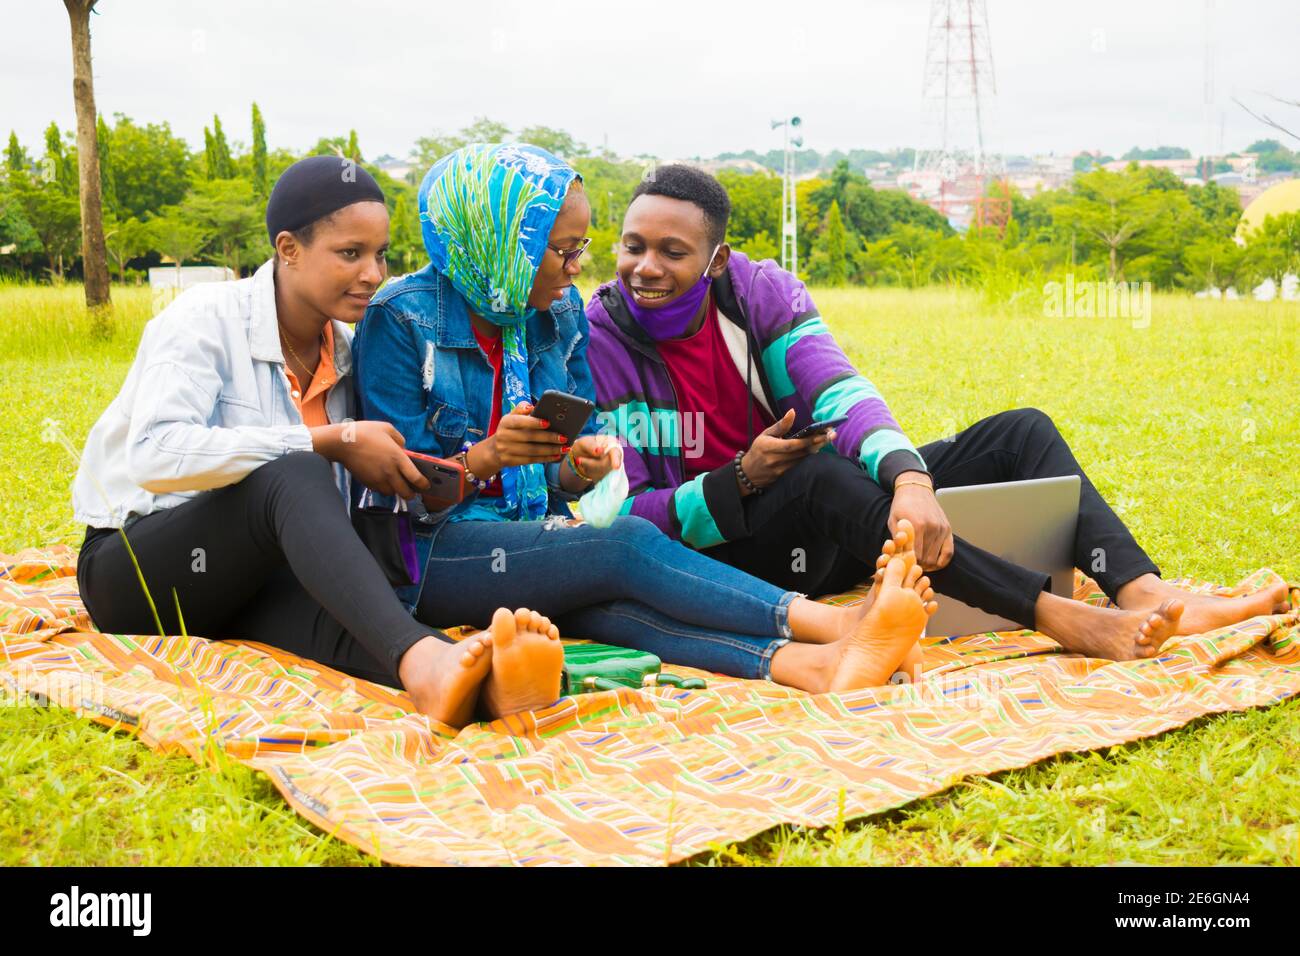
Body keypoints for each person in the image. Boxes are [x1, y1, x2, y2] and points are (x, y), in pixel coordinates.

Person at [583, 163, 1289, 665]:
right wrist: (739, 480)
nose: (645, 267)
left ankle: (1143, 590)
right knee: (817, 476)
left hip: (843, 522)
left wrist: (912, 481)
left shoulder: (760, 292)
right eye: (633, 246)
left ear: (715, 260)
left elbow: (839, 391)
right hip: (738, 559)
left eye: (673, 251)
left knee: (1021, 431)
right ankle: (1053, 615)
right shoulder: (601, 335)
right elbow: (620, 519)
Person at [353, 142, 941, 694]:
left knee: (614, 611)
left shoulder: (553, 315)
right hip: (431, 551)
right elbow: (402, 495)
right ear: (503, 244)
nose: (577, 269)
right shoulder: (401, 321)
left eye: (582, 247)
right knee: (624, 544)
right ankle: (835, 627)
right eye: (561, 250)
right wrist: (489, 458)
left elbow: (564, 475)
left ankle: (811, 666)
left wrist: (587, 465)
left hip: (534, 530)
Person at [71, 154, 565, 729]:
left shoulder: (348, 353)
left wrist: (415, 471)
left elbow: (326, 516)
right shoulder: (205, 318)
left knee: (358, 617)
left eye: (380, 254)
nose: (373, 274)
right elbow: (155, 453)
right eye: (350, 253)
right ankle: (434, 660)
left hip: (248, 577)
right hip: (137, 572)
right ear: (288, 249)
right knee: (295, 471)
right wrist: (327, 440)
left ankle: (477, 682)